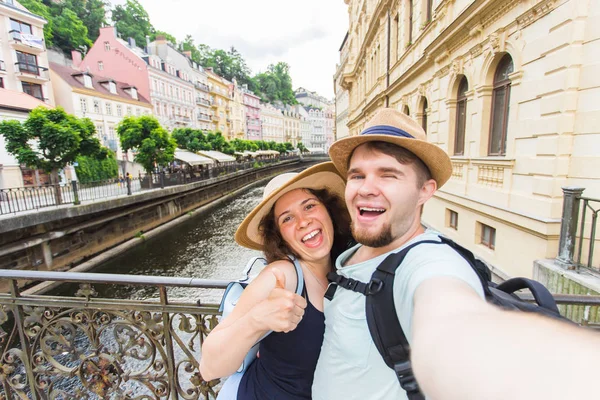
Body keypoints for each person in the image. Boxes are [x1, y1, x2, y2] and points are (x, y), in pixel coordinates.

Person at [312, 108, 600, 400]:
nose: (366, 189)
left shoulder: (430, 264)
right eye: (357, 175)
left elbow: (456, 328)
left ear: (425, 191)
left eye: (389, 175)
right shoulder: (354, 250)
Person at [200, 162, 352, 400]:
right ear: (279, 235)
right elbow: (209, 368)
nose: (303, 222)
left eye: (310, 206)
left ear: (328, 211)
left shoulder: (347, 267)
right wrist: (257, 321)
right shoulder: (282, 275)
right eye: (287, 218)